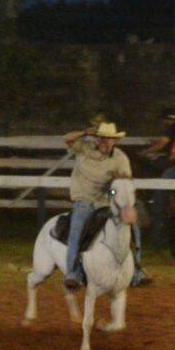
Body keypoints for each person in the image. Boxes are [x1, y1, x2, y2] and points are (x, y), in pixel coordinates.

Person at [60, 121, 151, 290]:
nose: (105, 142)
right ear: (96, 138)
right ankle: (73, 273)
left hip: (106, 200)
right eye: (102, 138)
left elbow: (122, 186)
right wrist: (84, 132)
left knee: (134, 229)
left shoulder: (120, 158)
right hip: (84, 200)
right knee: (76, 232)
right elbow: (66, 139)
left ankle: (137, 270)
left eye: (109, 139)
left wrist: (116, 200)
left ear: (115, 141)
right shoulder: (84, 148)